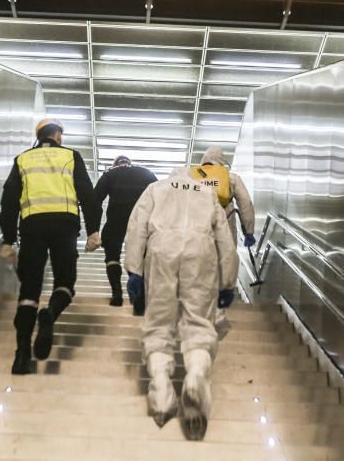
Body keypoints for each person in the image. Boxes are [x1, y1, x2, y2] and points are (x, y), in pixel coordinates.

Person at [124, 167, 238, 440]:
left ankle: (162, 394)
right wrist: (228, 281)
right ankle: (197, 375)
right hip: (201, 252)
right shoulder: (207, 192)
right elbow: (224, 237)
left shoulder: (155, 189)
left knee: (159, 325)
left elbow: (137, 227)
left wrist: (134, 271)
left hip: (161, 250)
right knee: (199, 323)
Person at [0, 117, 101, 375]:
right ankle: (51, 313)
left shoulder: (23, 159)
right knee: (65, 282)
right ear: (57, 135)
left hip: (32, 227)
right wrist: (93, 231)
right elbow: (88, 196)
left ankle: (21, 355)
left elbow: (8, 202)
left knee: (29, 289)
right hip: (64, 226)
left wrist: (8, 240)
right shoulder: (70, 156)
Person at [190, 146, 256, 341]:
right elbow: (245, 204)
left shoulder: (192, 175)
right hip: (224, 225)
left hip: (197, 227)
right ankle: (219, 305)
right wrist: (249, 230)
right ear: (222, 160)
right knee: (224, 261)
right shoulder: (230, 177)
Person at [93, 155, 157, 306]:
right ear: (130, 164)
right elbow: (161, 195)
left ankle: (117, 294)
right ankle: (139, 297)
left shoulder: (110, 174)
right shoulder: (145, 173)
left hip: (116, 220)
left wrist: (94, 230)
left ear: (115, 164)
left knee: (112, 256)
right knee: (140, 257)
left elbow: (95, 200)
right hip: (140, 220)